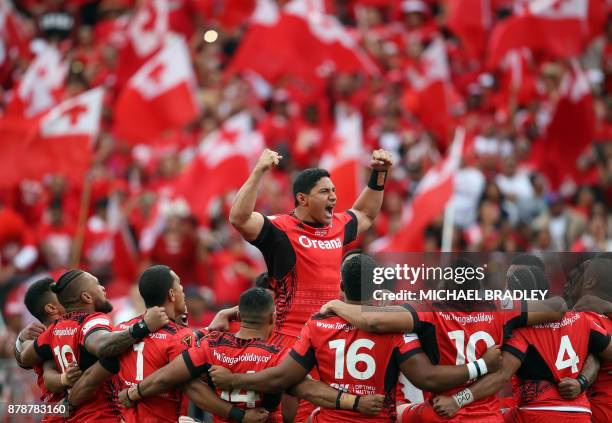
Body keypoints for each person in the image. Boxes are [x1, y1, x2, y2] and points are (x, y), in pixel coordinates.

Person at [209, 254, 503, 422]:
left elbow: (282, 380)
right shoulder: (395, 328)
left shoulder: (318, 324)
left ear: (340, 287)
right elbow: (427, 379)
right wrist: (480, 367)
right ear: (377, 288)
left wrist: (235, 379)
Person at [229, 148, 392, 421]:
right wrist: (258, 171)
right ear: (302, 198)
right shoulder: (280, 229)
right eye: (325, 192)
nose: (334, 197)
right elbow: (240, 218)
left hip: (329, 342)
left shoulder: (337, 226)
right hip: (289, 344)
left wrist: (379, 174)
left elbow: (365, 213)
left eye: (334, 191)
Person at [320, 258, 568, 422]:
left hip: (444, 414)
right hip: (488, 417)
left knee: (397, 412)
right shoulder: (501, 308)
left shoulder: (428, 311)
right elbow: (558, 306)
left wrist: (336, 304)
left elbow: (373, 321)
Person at [117, 287, 385, 422]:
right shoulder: (279, 355)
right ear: (273, 318)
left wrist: (133, 393)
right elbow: (309, 390)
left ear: (239, 315)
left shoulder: (211, 344)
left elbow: (167, 376)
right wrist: (354, 402)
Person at [16, 269, 169, 422]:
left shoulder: (52, 333)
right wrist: (143, 326)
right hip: (100, 415)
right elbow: (100, 350)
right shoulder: (92, 321)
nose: (103, 288)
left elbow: (25, 359)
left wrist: (20, 340)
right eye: (60, 297)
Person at [66, 265, 197, 423]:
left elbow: (89, 379)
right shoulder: (180, 336)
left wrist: (64, 407)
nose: (184, 294)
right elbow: (190, 386)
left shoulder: (122, 331)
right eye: (181, 289)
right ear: (172, 294)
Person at [15, 277, 80, 423]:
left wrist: (20, 341)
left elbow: (22, 357)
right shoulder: (46, 338)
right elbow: (26, 358)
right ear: (51, 308)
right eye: (61, 293)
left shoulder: (76, 325)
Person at [570, 257, 612, 423]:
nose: (570, 279)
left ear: (589, 282)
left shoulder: (586, 321)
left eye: (578, 274)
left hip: (596, 411)